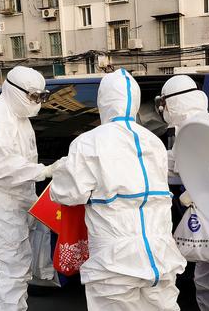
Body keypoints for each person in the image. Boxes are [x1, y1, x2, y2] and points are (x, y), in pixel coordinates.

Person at [50, 69, 186, 311]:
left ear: (103, 102)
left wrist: (61, 169)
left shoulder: (88, 142)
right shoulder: (153, 141)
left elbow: (68, 194)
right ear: (134, 102)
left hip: (114, 261)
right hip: (160, 255)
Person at [0, 66, 56, 311]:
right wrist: (46, 170)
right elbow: (5, 167)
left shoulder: (19, 116)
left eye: (41, 97)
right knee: (12, 268)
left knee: (24, 261)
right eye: (33, 96)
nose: (37, 102)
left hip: (20, 195)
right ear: (13, 90)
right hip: (0, 201)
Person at [156, 75, 209, 311]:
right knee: (204, 277)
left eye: (164, 103)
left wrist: (196, 192)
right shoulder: (191, 125)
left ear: (175, 102)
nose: (163, 109)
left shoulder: (199, 126)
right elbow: (177, 164)